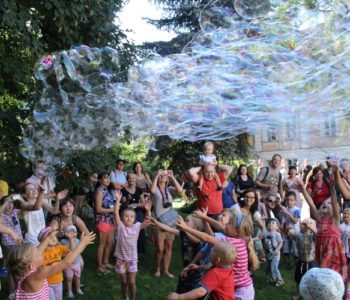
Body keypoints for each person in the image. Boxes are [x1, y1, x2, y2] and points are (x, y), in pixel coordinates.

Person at [178, 212, 259, 300]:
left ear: (236, 231)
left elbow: (206, 238)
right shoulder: (241, 239)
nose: (225, 226)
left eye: (228, 224)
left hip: (241, 292)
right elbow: (219, 226)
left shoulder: (231, 243)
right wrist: (204, 217)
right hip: (242, 288)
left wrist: (185, 227)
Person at [8, 230, 95, 300]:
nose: (41, 252)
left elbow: (40, 248)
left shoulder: (21, 273)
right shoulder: (38, 275)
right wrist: (82, 243)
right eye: (39, 254)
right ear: (32, 266)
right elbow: (66, 262)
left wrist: (49, 236)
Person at [301, 177, 347, 279]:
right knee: (321, 273)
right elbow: (311, 204)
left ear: (337, 209)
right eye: (325, 202)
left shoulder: (335, 220)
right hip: (321, 250)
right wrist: (303, 191)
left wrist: (331, 188)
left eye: (329, 203)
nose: (326, 203)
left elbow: (334, 202)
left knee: (332, 274)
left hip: (332, 253)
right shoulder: (319, 219)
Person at [113, 190, 152, 300]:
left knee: (131, 282)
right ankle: (125, 296)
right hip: (120, 259)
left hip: (132, 259)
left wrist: (148, 211)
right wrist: (118, 201)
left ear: (134, 219)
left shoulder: (137, 227)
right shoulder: (120, 227)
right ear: (122, 218)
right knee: (124, 282)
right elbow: (115, 213)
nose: (129, 218)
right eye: (126, 216)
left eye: (131, 216)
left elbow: (148, 222)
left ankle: (133, 298)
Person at [167, 242, 237, 300]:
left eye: (212, 252)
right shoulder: (227, 266)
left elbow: (200, 292)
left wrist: (179, 297)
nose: (211, 250)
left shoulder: (215, 274)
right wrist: (198, 267)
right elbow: (209, 266)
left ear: (217, 260)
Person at [150, 169, 183, 278]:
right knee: (160, 248)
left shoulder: (169, 189)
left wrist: (172, 176)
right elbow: (153, 190)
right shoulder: (155, 190)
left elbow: (180, 191)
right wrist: (158, 174)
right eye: (161, 175)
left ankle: (166, 270)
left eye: (164, 175)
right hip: (159, 222)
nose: (163, 176)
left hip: (170, 222)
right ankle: (158, 268)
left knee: (168, 247)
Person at [38, 227, 71, 300]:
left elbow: (71, 251)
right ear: (43, 241)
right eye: (50, 237)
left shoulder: (58, 248)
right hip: (47, 283)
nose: (53, 238)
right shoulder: (41, 252)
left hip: (59, 281)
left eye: (54, 236)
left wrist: (71, 239)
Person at [288, 218, 316, 300]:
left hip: (311, 262)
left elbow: (318, 234)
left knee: (311, 279)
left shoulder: (313, 236)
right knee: (298, 278)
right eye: (305, 222)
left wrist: (310, 227)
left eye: (310, 223)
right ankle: (299, 293)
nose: (307, 224)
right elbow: (290, 233)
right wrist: (289, 228)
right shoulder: (298, 235)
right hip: (300, 261)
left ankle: (311, 295)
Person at [94, 172, 115, 274]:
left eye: (108, 178)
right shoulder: (99, 191)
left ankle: (106, 261)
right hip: (102, 220)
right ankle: (100, 265)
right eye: (105, 178)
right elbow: (98, 209)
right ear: (100, 180)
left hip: (110, 219)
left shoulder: (107, 190)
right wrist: (112, 210)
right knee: (102, 243)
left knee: (110, 242)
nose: (108, 180)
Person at [121, 173, 147, 253]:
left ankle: (137, 252)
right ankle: (127, 251)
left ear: (136, 180)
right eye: (130, 178)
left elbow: (144, 204)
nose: (132, 180)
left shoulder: (139, 190)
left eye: (133, 178)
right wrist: (128, 200)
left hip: (137, 212)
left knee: (138, 230)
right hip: (127, 214)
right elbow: (124, 205)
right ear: (127, 180)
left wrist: (135, 204)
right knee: (129, 233)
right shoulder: (123, 190)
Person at [61, 225, 84, 298]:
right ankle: (69, 291)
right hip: (68, 265)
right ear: (65, 234)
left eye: (74, 232)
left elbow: (77, 251)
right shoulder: (63, 242)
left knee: (77, 278)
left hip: (76, 263)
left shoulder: (77, 241)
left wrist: (81, 241)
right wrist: (71, 240)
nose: (72, 234)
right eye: (69, 232)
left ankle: (78, 289)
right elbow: (71, 250)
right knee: (69, 279)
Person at [261, 218, 284, 287]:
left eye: (273, 223)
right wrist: (252, 239)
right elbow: (259, 238)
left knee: (274, 266)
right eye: (269, 223)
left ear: (277, 227)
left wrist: (277, 249)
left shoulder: (277, 234)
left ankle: (280, 279)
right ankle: (272, 277)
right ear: (266, 225)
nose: (270, 224)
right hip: (268, 253)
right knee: (268, 266)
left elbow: (281, 242)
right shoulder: (265, 233)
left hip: (275, 254)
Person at [280, 191, 301, 266]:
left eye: (291, 200)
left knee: (295, 247)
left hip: (295, 231)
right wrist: (282, 225)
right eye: (287, 200)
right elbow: (284, 219)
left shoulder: (296, 210)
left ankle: (296, 263)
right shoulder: (285, 209)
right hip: (286, 231)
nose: (289, 202)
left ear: (295, 201)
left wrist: (287, 213)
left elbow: (295, 221)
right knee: (286, 246)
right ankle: (286, 262)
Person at [341, 208, 350, 300]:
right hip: (343, 252)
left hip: (349, 253)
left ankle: (347, 292)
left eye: (348, 214)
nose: (346, 215)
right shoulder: (341, 226)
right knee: (343, 272)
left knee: (348, 273)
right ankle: (342, 290)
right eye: (344, 214)